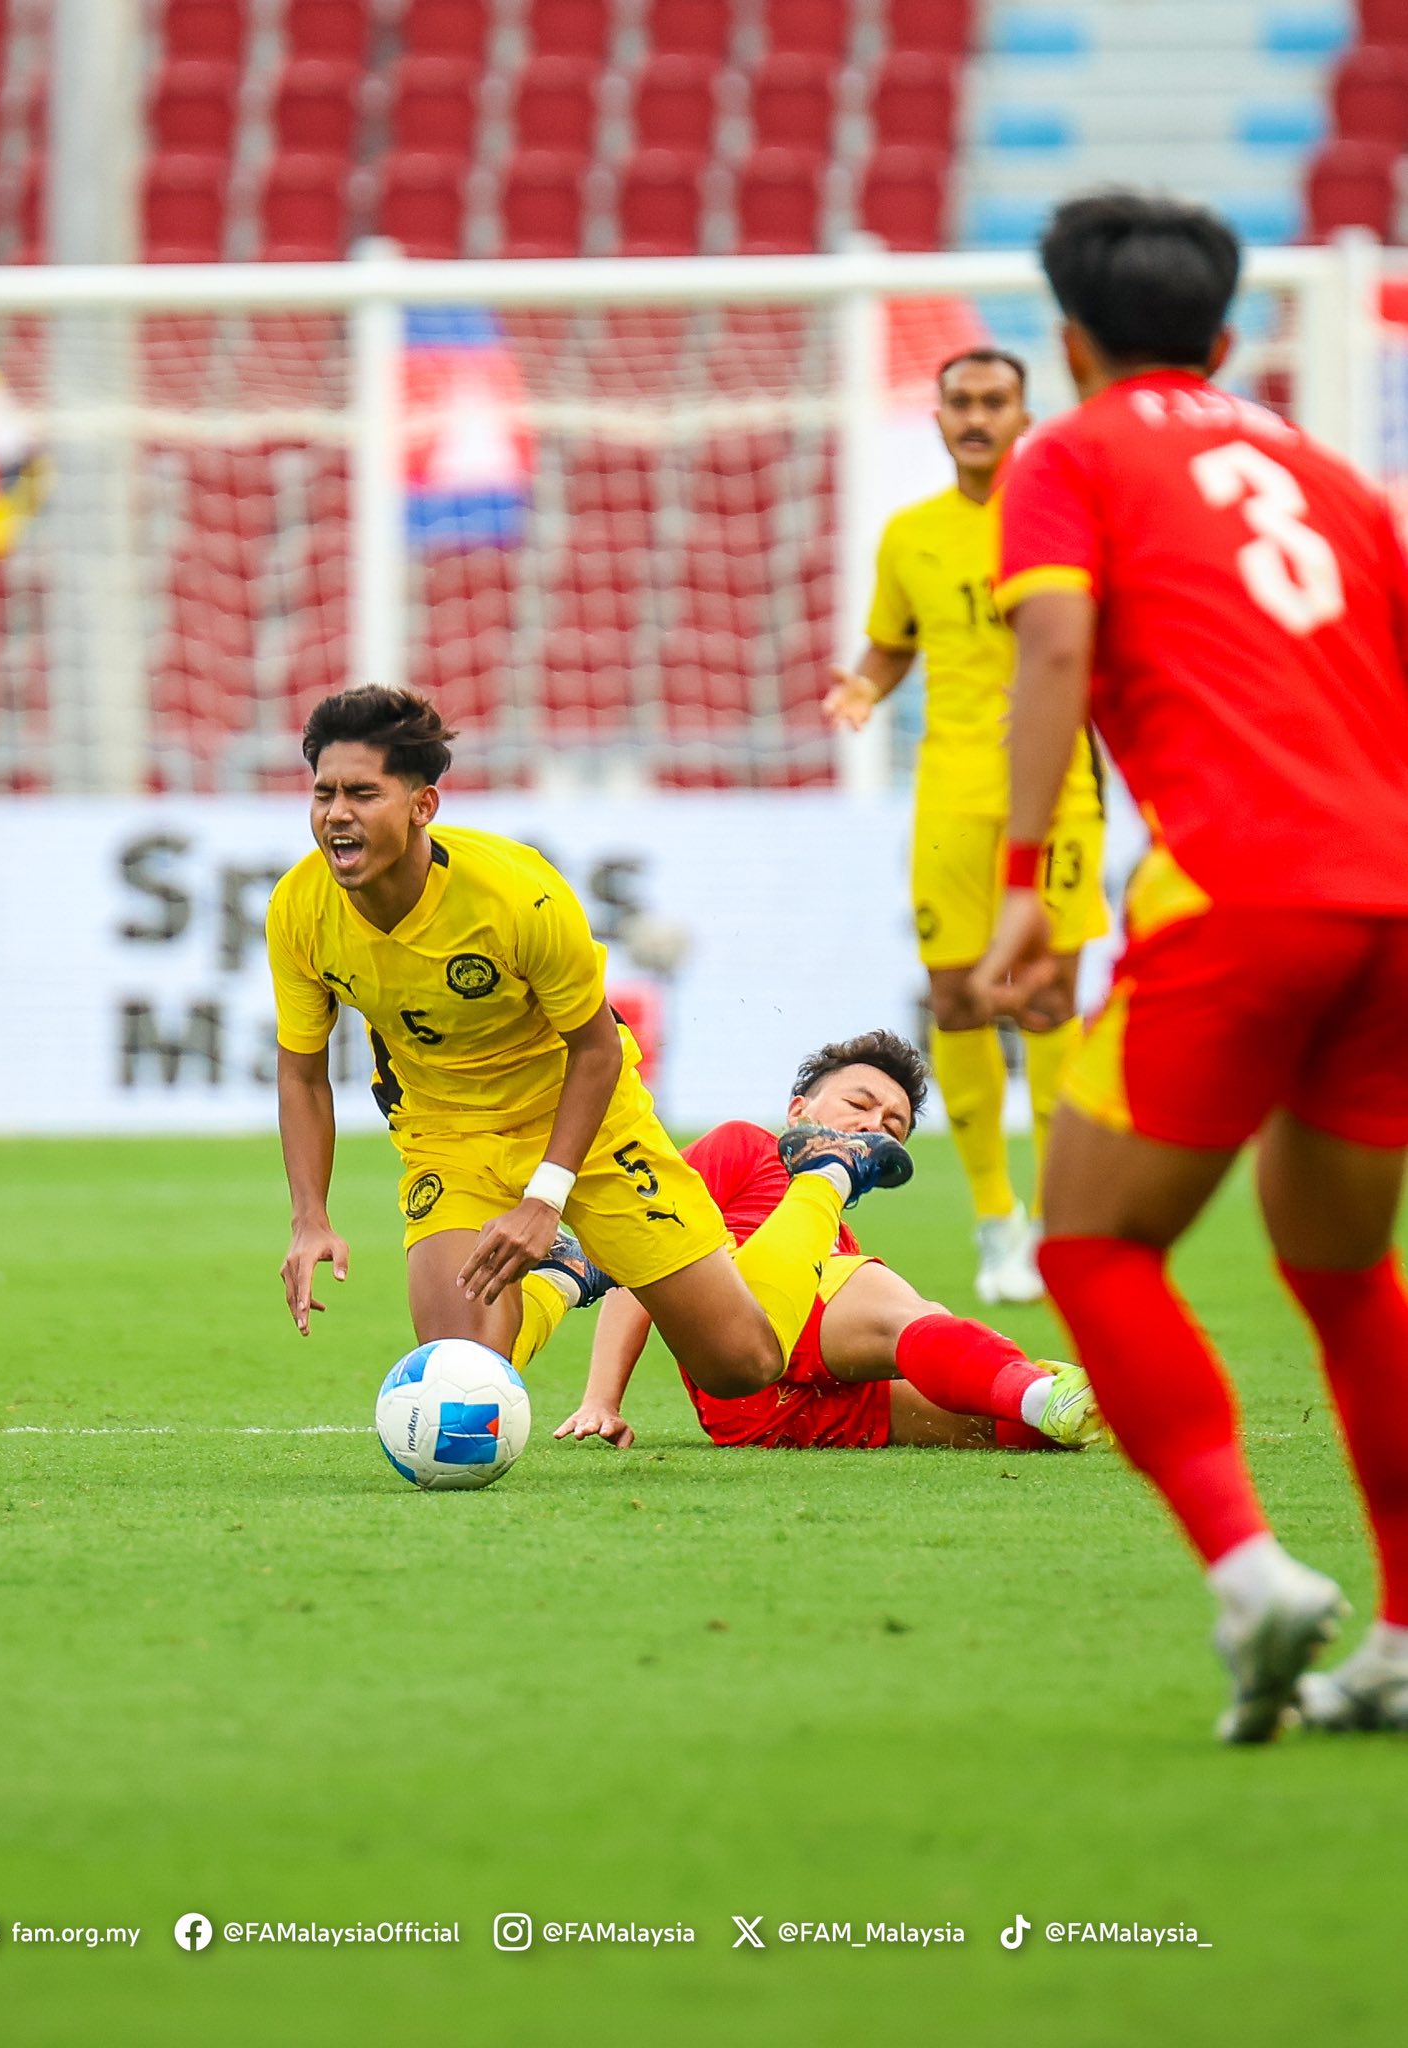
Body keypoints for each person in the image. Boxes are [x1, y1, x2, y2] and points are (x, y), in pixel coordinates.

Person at [972, 191, 1408, 1742]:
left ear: (1069, 341)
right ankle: (1403, 1638)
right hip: (1390, 900)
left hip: (1242, 889)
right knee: (1344, 1269)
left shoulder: (1071, 454)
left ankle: (1247, 1573)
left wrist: (1025, 884)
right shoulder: (1337, 483)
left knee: (1088, 1244)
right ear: (1226, 339)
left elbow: (1049, 649)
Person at [268, 685, 911, 1406]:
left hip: (590, 1123)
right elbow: (303, 1076)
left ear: (423, 807)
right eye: (323, 794)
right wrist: (310, 1219)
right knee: (463, 1376)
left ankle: (825, 1172)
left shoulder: (519, 897)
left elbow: (598, 1051)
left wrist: (546, 1197)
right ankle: (568, 1274)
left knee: (740, 1366)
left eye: (362, 793)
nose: (337, 815)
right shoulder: (298, 908)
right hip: (447, 1135)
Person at [827, 350, 1110, 1306]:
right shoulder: (912, 535)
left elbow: (1109, 638)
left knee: (1044, 999)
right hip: (949, 791)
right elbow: (891, 641)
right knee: (956, 1001)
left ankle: (1059, 1214)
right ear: (940, 417)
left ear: (1026, 412)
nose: (978, 417)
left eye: (996, 401)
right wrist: (863, 685)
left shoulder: (1070, 519)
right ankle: (998, 1220)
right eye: (962, 402)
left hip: (1060, 789)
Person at [555, 1029, 1103, 1455]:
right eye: (859, 1105)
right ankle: (1047, 1387)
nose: (874, 1125)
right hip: (744, 1347)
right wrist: (602, 1399)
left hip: (773, 1417)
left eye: (893, 1124)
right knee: (914, 1318)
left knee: (1008, 1421)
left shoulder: (837, 1235)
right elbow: (648, 1259)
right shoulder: (745, 1145)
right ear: (799, 1112)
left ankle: (1099, 1403)